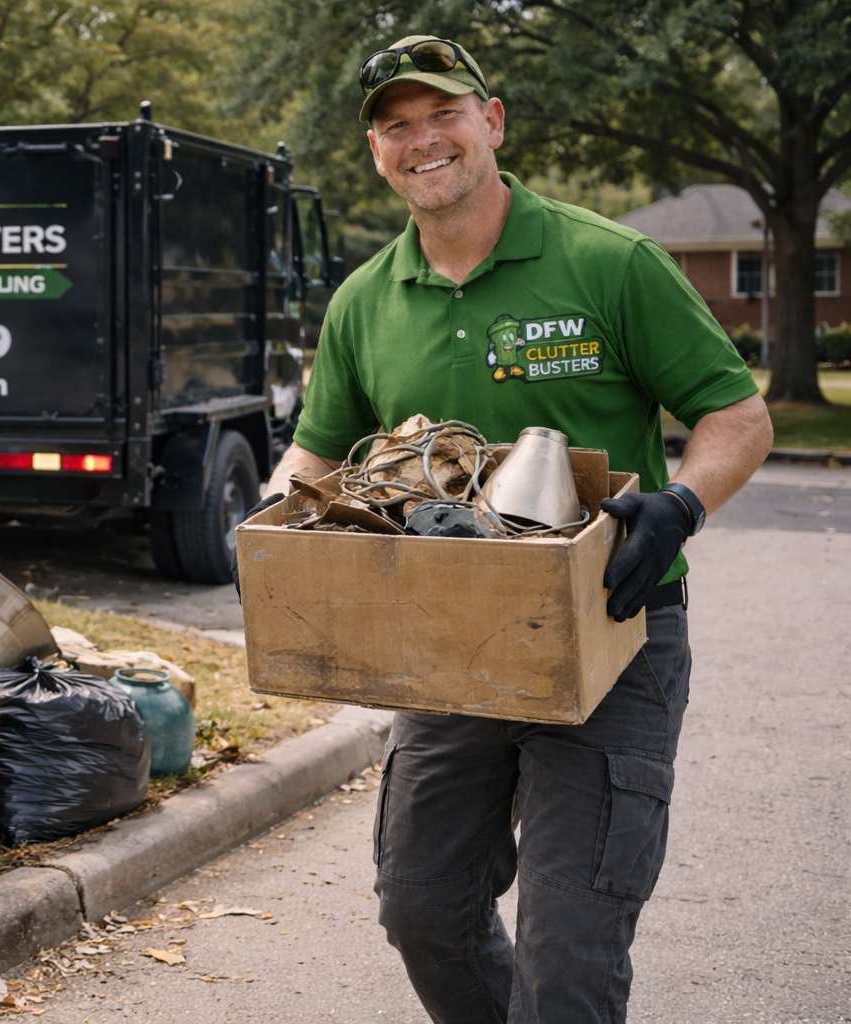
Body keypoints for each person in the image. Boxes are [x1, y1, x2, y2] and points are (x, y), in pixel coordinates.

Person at [254, 35, 775, 1024]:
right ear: (376, 152)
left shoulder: (609, 261)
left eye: (442, 113)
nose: (422, 141)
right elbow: (318, 455)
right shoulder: (365, 300)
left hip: (613, 635)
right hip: (448, 649)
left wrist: (682, 502)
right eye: (396, 126)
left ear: (491, 122)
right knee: (422, 909)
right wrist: (274, 528)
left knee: (569, 953)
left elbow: (738, 417)